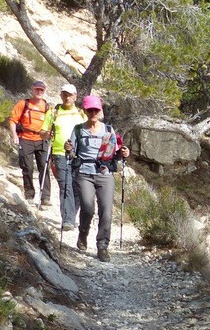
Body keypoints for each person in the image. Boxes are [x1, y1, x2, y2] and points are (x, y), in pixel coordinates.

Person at [65, 95, 130, 262]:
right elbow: (71, 154)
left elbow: (116, 151)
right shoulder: (78, 130)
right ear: (85, 111)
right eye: (90, 110)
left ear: (100, 110)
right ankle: (83, 233)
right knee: (88, 207)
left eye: (96, 109)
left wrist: (124, 153)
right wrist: (69, 149)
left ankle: (102, 246)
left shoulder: (108, 130)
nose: (93, 112)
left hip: (104, 173)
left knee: (106, 211)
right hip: (84, 173)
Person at [41, 83, 85, 231]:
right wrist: (47, 134)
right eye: (65, 94)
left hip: (78, 155)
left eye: (70, 95)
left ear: (75, 96)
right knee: (65, 185)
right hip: (59, 153)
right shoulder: (53, 112)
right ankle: (68, 220)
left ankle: (71, 215)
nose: (67, 97)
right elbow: (42, 132)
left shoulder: (81, 114)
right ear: (61, 95)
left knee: (77, 188)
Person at [8, 81, 51, 206]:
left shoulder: (47, 107)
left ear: (44, 91)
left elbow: (51, 124)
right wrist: (14, 135)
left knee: (44, 167)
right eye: (37, 89)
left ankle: (45, 198)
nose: (39, 92)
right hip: (25, 138)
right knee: (27, 167)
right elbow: (13, 120)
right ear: (32, 90)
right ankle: (29, 195)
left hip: (42, 139)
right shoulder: (23, 104)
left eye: (41, 90)